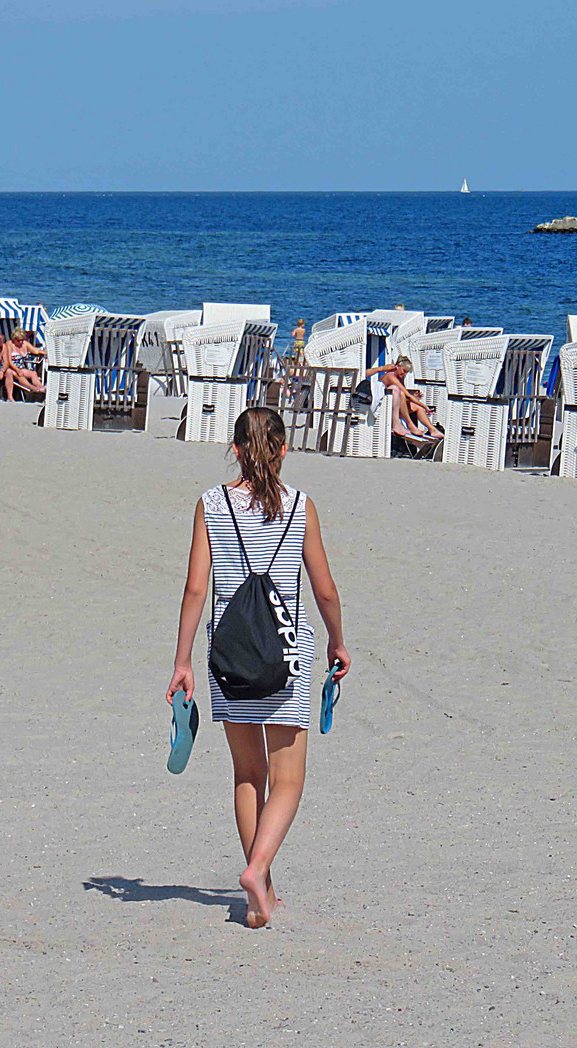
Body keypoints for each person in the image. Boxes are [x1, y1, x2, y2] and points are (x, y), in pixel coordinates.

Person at [167, 407, 349, 929]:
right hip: (286, 655)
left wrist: (182, 662)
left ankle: (259, 893)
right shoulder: (300, 506)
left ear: (236, 448)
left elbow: (196, 588)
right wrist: (338, 643)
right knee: (288, 780)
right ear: (284, 449)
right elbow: (325, 589)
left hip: (230, 656)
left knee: (249, 774)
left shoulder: (211, 503)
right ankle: (259, 871)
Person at [365, 357, 443, 439]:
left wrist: (415, 398)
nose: (404, 374)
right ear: (398, 366)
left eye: (406, 372)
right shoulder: (390, 376)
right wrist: (425, 407)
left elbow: (406, 398)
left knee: (418, 407)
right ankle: (410, 425)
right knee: (402, 393)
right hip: (386, 406)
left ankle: (432, 429)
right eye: (404, 371)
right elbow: (406, 395)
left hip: (395, 406)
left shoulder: (399, 378)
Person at [6, 329, 46, 399]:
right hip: (11, 367)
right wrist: (17, 370)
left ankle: (41, 387)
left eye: (22, 340)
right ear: (14, 339)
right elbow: (9, 361)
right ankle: (33, 388)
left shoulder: (25, 344)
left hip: (21, 367)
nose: (20, 342)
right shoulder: (9, 344)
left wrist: (44, 353)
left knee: (33, 373)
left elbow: (35, 350)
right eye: (18, 340)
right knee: (19, 375)